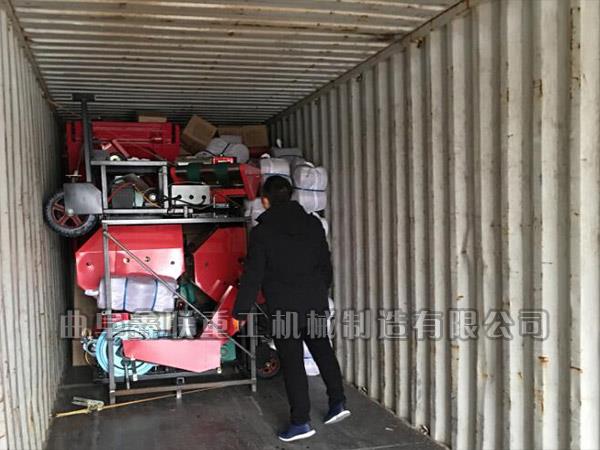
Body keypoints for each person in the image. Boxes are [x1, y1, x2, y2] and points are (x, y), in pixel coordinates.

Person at [233, 175, 350, 442]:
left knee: (293, 362)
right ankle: (338, 402)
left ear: (265, 200)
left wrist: (240, 312)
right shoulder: (313, 224)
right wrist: (320, 290)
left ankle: (300, 422)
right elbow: (325, 264)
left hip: (285, 308)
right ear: (291, 196)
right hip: (314, 301)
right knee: (323, 348)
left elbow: (253, 276)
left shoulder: (262, 233)